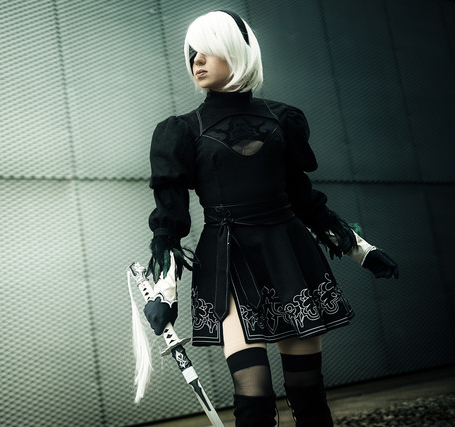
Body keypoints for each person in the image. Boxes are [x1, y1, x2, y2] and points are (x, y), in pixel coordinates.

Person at [143, 10, 399, 427]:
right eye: (191, 53)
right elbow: (169, 223)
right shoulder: (181, 131)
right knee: (253, 393)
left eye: (207, 50)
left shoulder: (283, 119)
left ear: (236, 51)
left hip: (288, 253)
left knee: (308, 391)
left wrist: (362, 252)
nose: (196, 60)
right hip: (228, 260)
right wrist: (164, 292)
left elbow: (305, 201)